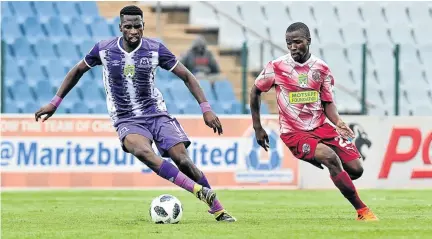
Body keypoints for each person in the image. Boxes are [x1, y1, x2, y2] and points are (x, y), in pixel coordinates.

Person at [34, 5, 235, 222]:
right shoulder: (103, 49)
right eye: (128, 26)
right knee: (143, 152)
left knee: (183, 160)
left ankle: (218, 209)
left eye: (137, 26)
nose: (133, 31)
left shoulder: (155, 49)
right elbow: (77, 71)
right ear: (120, 27)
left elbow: (187, 75)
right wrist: (55, 102)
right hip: (126, 118)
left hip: (156, 113)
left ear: (143, 26)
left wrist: (206, 109)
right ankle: (198, 190)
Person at [249, 22, 378, 221]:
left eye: (297, 42)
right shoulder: (276, 67)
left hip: (321, 127)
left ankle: (337, 176)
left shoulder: (322, 69)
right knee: (330, 158)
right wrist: (257, 127)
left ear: (308, 41)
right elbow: (255, 90)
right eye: (288, 43)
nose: (292, 47)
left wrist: (338, 122)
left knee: (356, 169)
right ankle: (362, 211)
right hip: (294, 132)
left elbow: (328, 103)